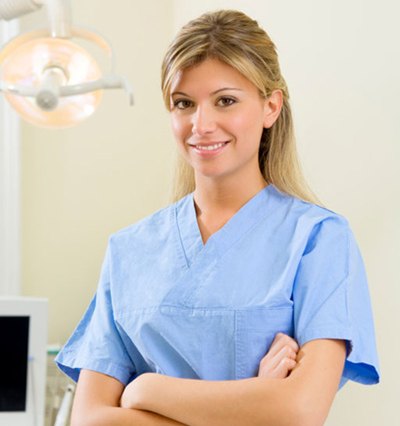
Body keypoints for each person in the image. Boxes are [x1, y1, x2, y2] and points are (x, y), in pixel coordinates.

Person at [55, 9, 380, 426]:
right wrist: (256, 403)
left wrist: (147, 391)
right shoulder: (128, 250)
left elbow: (301, 410)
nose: (201, 124)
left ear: (270, 107)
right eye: (184, 103)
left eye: (225, 100)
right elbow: (90, 420)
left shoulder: (318, 239)